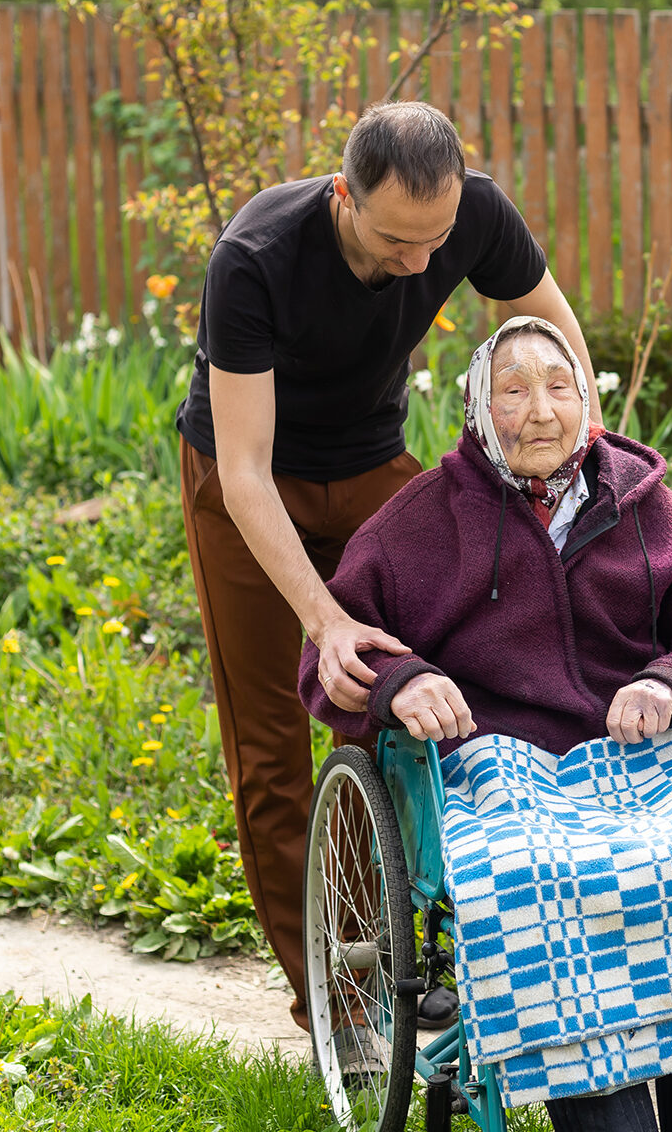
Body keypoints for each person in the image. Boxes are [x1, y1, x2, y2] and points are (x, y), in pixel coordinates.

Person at [297, 317, 672, 1131]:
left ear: (585, 401)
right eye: (514, 391)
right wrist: (402, 680)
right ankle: (608, 1111)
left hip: (645, 758)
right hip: (500, 768)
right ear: (481, 410)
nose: (541, 411)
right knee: (541, 886)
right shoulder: (423, 520)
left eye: (558, 387)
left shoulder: (641, 504)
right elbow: (330, 659)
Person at [175, 101, 600, 1033]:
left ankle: (412, 949)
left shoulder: (475, 214)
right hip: (248, 480)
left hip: (373, 464)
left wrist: (586, 465)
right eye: (396, 241)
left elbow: (567, 354)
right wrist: (324, 620)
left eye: (435, 241)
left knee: (400, 702)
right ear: (343, 196)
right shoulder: (256, 259)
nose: (419, 263)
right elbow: (246, 473)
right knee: (274, 743)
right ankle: (342, 1007)